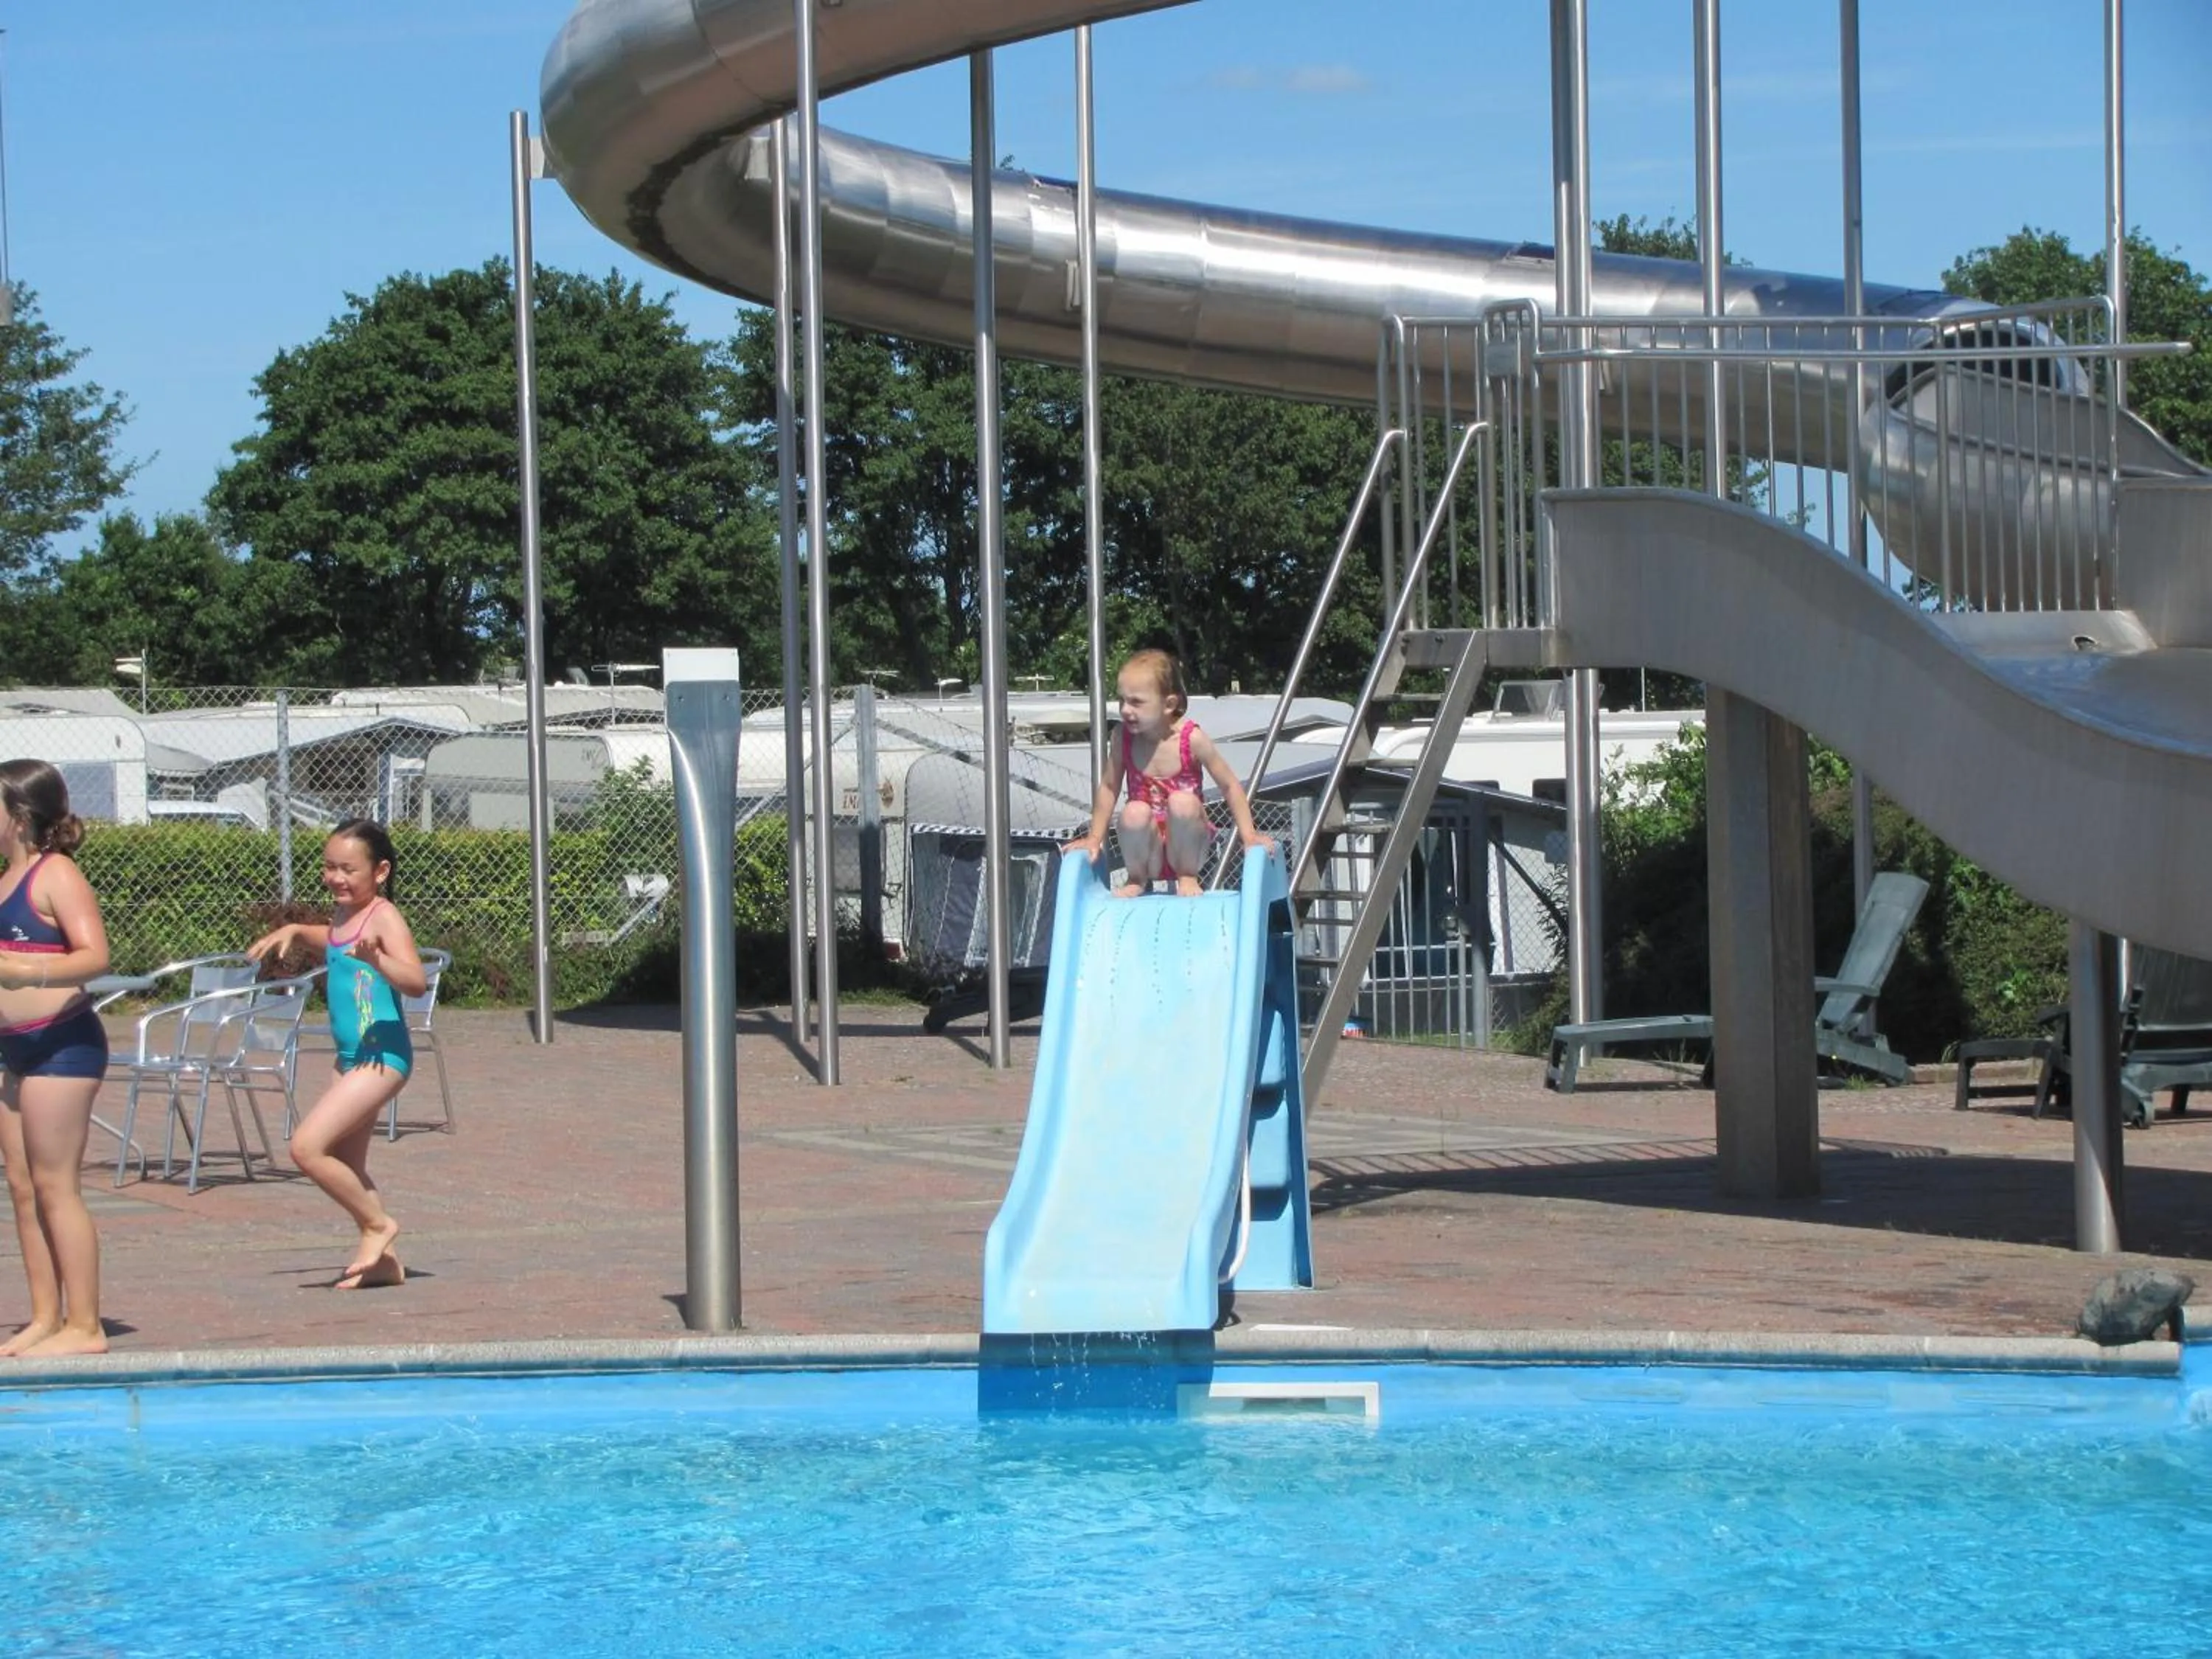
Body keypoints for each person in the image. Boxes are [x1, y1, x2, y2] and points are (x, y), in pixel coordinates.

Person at [248, 818, 426, 1291]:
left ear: (381, 871)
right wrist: (294, 930)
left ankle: (378, 1226)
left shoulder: (383, 916)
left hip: (382, 1055)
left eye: (348, 869)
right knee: (346, 1165)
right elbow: (332, 938)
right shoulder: (346, 916)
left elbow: (416, 981)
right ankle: (385, 1262)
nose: (336, 878)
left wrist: (377, 961)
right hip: (349, 1058)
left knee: (306, 1148)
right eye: (329, 867)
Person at [0, 759, 114, 1358]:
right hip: (14, 1051)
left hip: (62, 1044)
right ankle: (46, 1316)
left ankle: (86, 1325)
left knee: (55, 1185)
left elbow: (95, 955)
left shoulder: (57, 874)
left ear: (18, 817)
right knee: (22, 1188)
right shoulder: (4, 880)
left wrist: (26, 969)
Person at [1067, 649, 1272, 897]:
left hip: (1188, 846)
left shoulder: (1191, 739)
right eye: (1122, 700)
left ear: (1169, 704)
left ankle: (1187, 877)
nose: (1125, 710)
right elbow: (1109, 787)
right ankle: (1136, 878)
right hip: (1147, 848)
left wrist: (1249, 836)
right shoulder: (1123, 738)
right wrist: (1094, 838)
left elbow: (1229, 785)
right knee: (1134, 811)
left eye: (1136, 702)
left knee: (1183, 802)